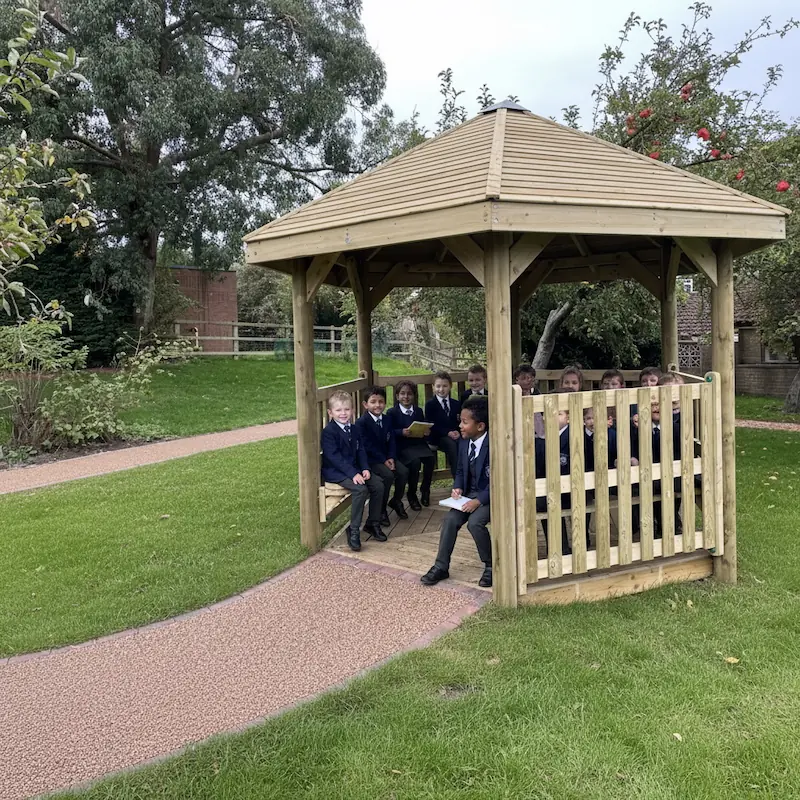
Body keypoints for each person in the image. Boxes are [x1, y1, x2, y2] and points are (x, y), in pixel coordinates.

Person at [420, 396, 492, 588]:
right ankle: (441, 566)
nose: (460, 425)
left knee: (475, 523)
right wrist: (458, 486)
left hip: (490, 497)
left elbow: (499, 480)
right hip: (469, 494)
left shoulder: (494, 445)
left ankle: (491, 566)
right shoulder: (464, 441)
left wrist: (478, 501)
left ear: (480, 426)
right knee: (450, 520)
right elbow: (460, 469)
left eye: (465, 422)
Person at [321, 391, 385, 552]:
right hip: (337, 472)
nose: (343, 413)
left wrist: (365, 468)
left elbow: (361, 450)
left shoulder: (355, 429)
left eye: (347, 410)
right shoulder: (329, 432)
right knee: (360, 489)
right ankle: (354, 530)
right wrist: (353, 474)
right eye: (338, 410)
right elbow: (334, 458)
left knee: (378, 485)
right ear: (330, 412)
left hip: (354, 469)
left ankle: (373, 523)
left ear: (353, 410)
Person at [355, 386, 409, 527]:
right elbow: (366, 446)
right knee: (388, 476)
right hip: (372, 460)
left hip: (387, 457)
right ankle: (381, 510)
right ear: (365, 405)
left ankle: (396, 500)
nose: (377, 405)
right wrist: (384, 460)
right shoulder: (362, 423)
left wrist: (391, 457)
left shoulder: (387, 419)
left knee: (403, 472)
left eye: (381, 401)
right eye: (373, 402)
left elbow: (391, 440)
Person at [386, 380, 435, 509]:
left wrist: (426, 431)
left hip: (418, 444)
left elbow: (423, 426)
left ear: (414, 396)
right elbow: (389, 432)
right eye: (402, 394)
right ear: (397, 396)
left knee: (430, 459)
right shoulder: (392, 413)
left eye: (409, 394)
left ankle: (425, 490)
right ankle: (411, 494)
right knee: (415, 463)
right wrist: (401, 432)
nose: (406, 397)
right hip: (403, 446)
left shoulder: (418, 411)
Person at [424, 371, 462, 479]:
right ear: (433, 387)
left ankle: (467, 479)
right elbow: (431, 424)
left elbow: (458, 422)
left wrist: (457, 432)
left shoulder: (456, 404)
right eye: (438, 386)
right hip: (437, 437)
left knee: (463, 444)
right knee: (452, 446)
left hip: (453, 436)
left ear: (450, 386)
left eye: (445, 386)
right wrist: (447, 432)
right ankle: (457, 481)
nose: (441, 389)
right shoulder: (430, 405)